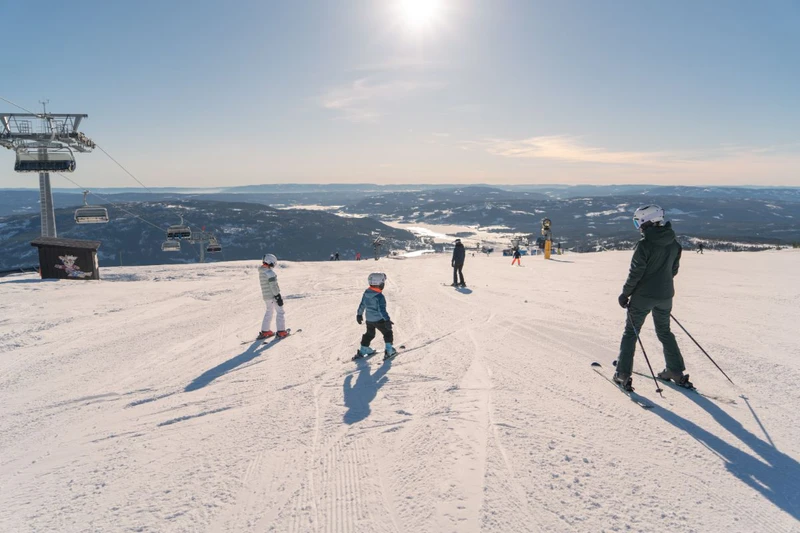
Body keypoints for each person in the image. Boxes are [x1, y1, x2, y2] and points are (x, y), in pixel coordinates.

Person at [614, 205, 691, 391]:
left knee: (631, 333)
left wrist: (625, 294)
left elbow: (635, 273)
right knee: (664, 332)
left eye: (637, 223)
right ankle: (675, 371)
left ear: (645, 221)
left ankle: (622, 373)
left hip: (643, 297)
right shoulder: (674, 243)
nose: (638, 227)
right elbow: (673, 270)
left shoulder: (644, 244)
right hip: (665, 296)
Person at [354, 272, 397, 360]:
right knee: (387, 332)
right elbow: (382, 310)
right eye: (383, 283)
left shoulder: (366, 293)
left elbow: (362, 304)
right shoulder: (380, 296)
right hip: (379, 320)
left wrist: (359, 314)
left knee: (369, 334)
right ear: (380, 284)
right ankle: (389, 350)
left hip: (369, 320)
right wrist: (387, 320)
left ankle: (363, 349)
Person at [257, 254, 288, 339]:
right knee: (280, 312)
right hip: (273, 295)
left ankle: (265, 331)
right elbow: (273, 286)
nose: (273, 265)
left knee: (269, 311)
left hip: (266, 296)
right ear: (270, 261)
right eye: (274, 263)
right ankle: (281, 332)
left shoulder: (262, 271)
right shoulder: (270, 273)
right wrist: (277, 296)